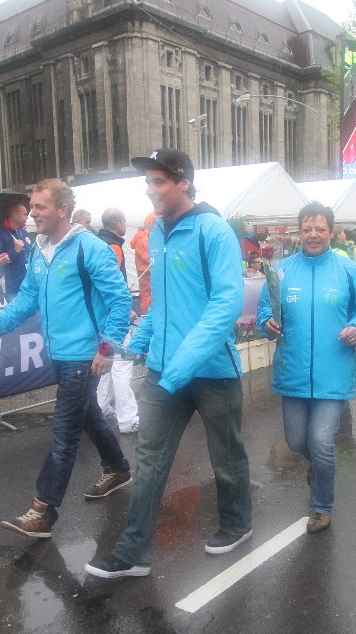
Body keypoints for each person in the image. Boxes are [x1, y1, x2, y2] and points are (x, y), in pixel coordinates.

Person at [85, 149, 250, 579]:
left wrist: (181, 364)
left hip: (213, 372)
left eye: (158, 181)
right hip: (164, 371)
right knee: (150, 459)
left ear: (183, 183)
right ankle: (133, 550)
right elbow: (160, 303)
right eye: (148, 182)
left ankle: (237, 523)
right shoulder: (156, 232)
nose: (150, 190)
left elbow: (226, 304)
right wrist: (137, 344)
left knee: (226, 455)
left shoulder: (213, 230)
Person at [0, 179, 134, 538]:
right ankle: (118, 468)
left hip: (84, 355)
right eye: (32, 207)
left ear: (62, 210)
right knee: (88, 415)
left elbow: (121, 300)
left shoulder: (89, 248)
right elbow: (26, 299)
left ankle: (43, 510)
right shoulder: (39, 249)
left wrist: (106, 348)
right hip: (59, 353)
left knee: (64, 432)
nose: (32, 213)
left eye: (39, 207)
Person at [257, 202, 356, 534]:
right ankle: (319, 466)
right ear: (299, 232)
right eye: (307, 229)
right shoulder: (281, 271)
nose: (313, 235)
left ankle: (321, 506)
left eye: (320, 229)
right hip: (292, 372)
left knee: (322, 441)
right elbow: (265, 309)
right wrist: (266, 322)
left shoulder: (349, 271)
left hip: (333, 373)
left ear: (331, 232)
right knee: (297, 441)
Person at [95, 207, 140, 435]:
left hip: (104, 320)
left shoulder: (98, 244)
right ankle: (127, 418)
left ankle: (101, 408)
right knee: (121, 366)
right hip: (114, 320)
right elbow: (113, 286)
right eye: (124, 222)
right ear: (119, 224)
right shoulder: (113, 247)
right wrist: (125, 310)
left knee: (108, 365)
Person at [0, 198, 30, 301]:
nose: (27, 217)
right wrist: (15, 251)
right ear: (15, 216)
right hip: (12, 288)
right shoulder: (0, 234)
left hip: (28, 286)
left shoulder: (23, 232)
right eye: (24, 214)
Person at [131, 211, 157, 317]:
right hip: (149, 288)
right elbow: (152, 263)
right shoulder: (145, 240)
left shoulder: (145, 239)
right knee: (149, 314)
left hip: (149, 287)